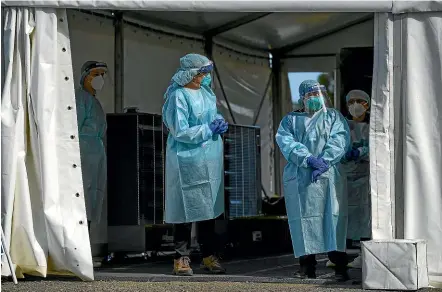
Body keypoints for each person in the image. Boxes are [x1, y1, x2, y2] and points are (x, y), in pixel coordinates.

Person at [275, 80, 351, 281]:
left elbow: (340, 140)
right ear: (302, 98)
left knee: (332, 219)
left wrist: (325, 161)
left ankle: (340, 268)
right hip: (301, 178)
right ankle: (306, 267)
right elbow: (286, 142)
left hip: (328, 176)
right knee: (303, 221)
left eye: (319, 94)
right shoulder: (290, 120)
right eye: (310, 95)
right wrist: (308, 159)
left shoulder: (334, 117)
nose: (316, 98)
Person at [162, 53, 228, 276]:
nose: (205, 77)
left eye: (206, 73)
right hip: (186, 160)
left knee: (208, 212)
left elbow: (212, 115)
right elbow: (179, 130)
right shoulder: (178, 96)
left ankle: (209, 256)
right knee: (183, 212)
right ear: (190, 73)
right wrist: (207, 130)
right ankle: (181, 258)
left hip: (208, 160)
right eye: (202, 72)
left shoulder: (207, 94)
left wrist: (218, 122)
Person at [76, 61, 108, 233]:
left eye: (102, 75)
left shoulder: (94, 101)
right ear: (84, 77)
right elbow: (73, 128)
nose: (100, 78)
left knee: (92, 199)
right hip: (83, 154)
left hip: (95, 156)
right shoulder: (80, 99)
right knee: (81, 200)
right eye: (96, 74)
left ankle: (85, 247)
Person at [342, 90, 371, 268]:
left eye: (360, 101)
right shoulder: (343, 126)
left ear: (368, 105)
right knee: (344, 216)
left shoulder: (372, 126)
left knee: (365, 216)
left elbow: (377, 144)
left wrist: (362, 151)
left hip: (366, 176)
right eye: (351, 102)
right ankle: (338, 256)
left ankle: (364, 256)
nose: (355, 105)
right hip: (345, 176)